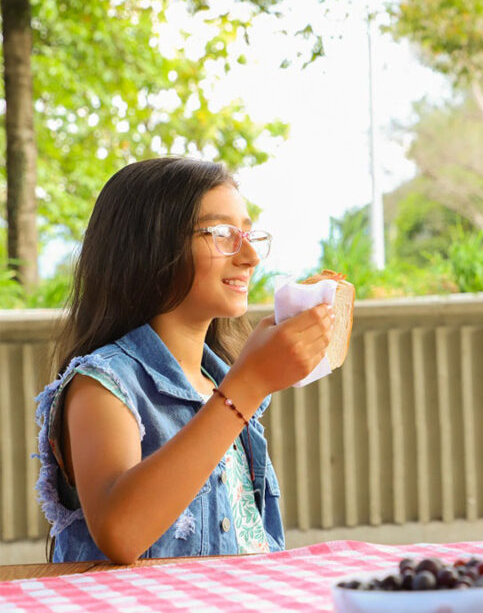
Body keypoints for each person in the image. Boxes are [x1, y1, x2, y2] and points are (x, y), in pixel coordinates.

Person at [34, 157, 333, 563]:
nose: (249, 257)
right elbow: (120, 534)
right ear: (152, 246)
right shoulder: (102, 385)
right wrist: (247, 386)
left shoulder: (218, 380)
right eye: (224, 233)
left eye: (247, 234)